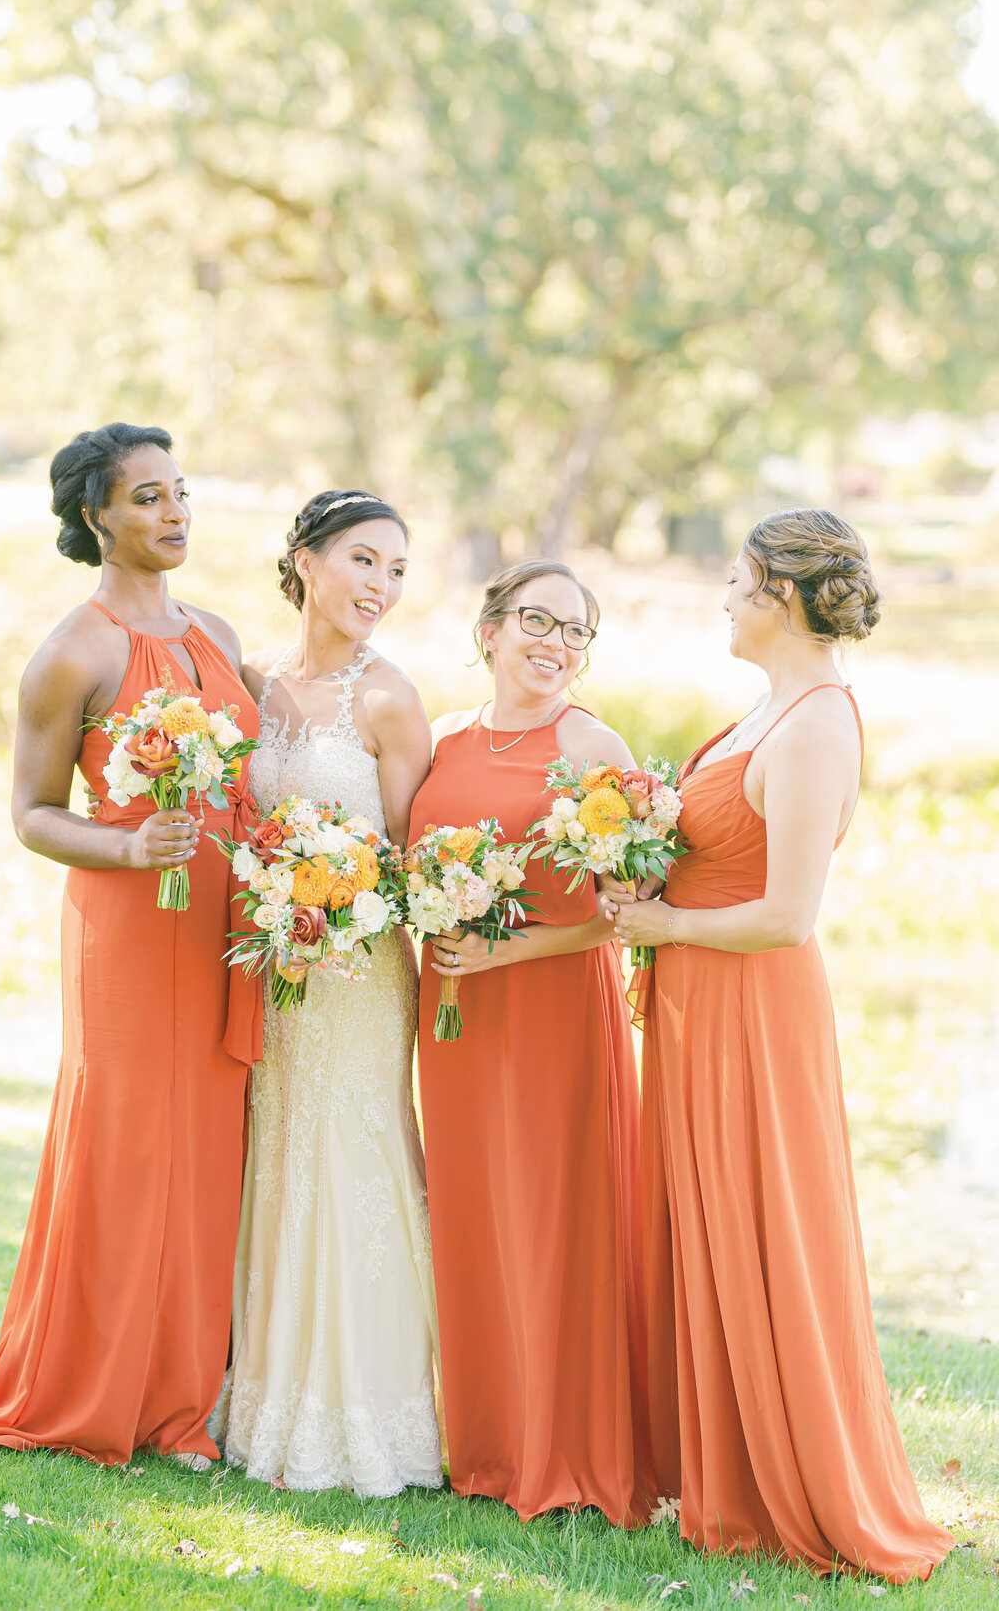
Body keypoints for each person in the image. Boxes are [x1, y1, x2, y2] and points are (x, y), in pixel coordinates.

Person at [605, 507, 951, 1582]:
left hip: (753, 1008)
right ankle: (722, 1470)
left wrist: (662, 923)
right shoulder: (771, 707)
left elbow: (788, 914)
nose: (723, 596)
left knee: (763, 1227)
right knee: (708, 1222)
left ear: (786, 598)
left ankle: (787, 1482)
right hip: (698, 1001)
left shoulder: (815, 726)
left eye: (738, 581)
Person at [0, 423, 258, 1468]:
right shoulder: (72, 651)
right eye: (149, 496)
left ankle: (183, 1398)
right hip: (126, 924)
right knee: (126, 1148)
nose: (175, 511)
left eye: (181, 490)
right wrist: (124, 842)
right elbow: (30, 812)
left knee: (208, 1154)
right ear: (96, 516)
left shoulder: (223, 635)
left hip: (224, 925)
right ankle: (97, 1383)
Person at [409, 560, 656, 1524]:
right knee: (472, 1214)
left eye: (577, 631)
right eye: (537, 621)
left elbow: (625, 913)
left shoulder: (593, 742)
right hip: (456, 1017)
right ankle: (484, 1444)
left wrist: (507, 948)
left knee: (559, 1218)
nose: (555, 643)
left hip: (551, 1007)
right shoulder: (440, 739)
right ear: (490, 630)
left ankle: (569, 1453)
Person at [209, 490, 443, 1497]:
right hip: (274, 971)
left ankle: (377, 1406)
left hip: (359, 974)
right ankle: (266, 1392)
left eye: (395, 569)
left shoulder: (389, 698)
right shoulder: (251, 681)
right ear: (304, 559)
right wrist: (278, 895)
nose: (381, 586)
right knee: (279, 1150)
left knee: (352, 1148)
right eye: (363, 560)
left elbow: (416, 863)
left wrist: (342, 899)